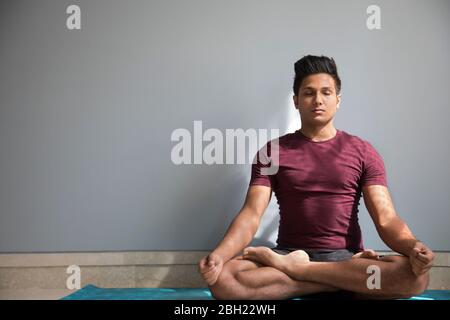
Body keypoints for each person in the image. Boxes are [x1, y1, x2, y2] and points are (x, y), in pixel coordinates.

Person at [198, 55, 434, 299]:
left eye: (326, 92)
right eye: (309, 93)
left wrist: (413, 247)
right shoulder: (272, 152)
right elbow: (251, 214)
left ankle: (303, 272)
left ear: (338, 100)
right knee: (224, 280)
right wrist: (220, 255)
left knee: (415, 277)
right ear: (296, 101)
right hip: (290, 253)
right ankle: (340, 282)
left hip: (344, 257)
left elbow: (386, 219)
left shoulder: (363, 151)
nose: (318, 100)